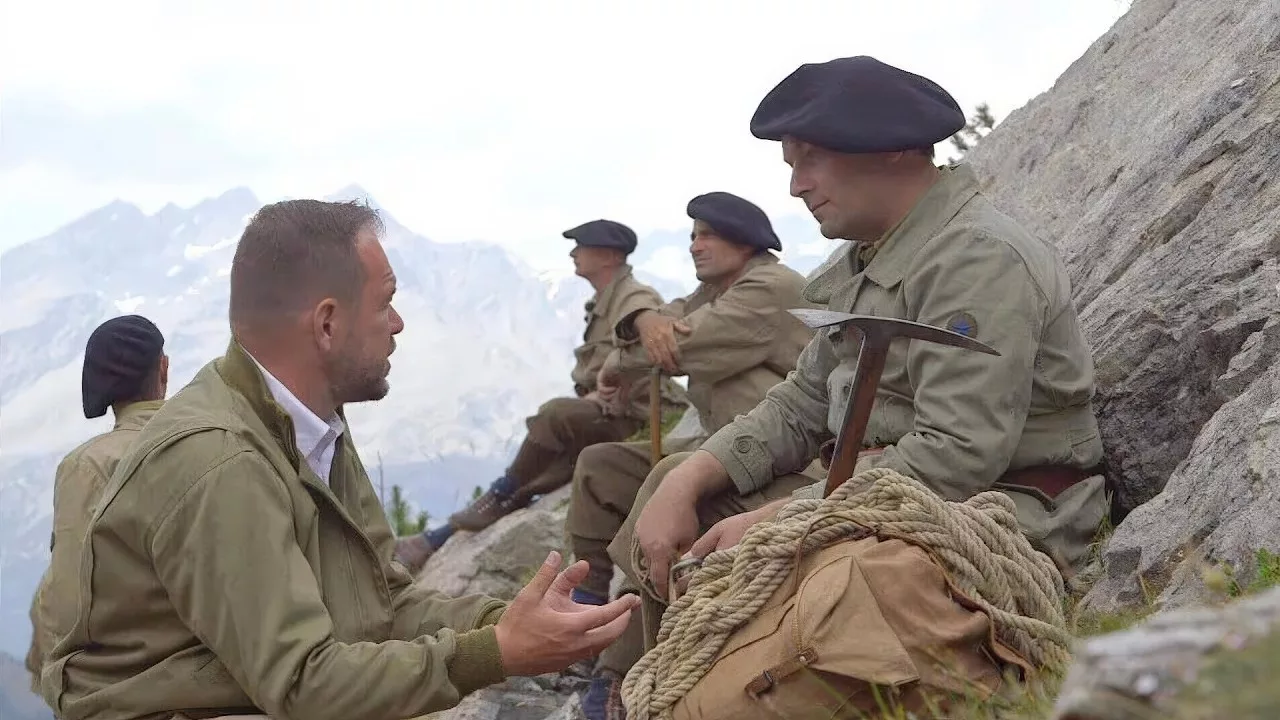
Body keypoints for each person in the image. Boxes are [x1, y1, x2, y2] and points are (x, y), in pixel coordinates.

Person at [38, 199, 639, 720]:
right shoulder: (220, 460)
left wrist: (508, 618)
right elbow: (303, 683)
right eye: (386, 305)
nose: (398, 325)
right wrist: (499, 652)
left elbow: (383, 604)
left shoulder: (311, 427)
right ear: (327, 323)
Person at [619, 53, 1108, 689]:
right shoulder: (866, 263)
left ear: (893, 151)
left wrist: (784, 517)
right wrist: (688, 480)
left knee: (829, 594)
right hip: (874, 488)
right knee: (676, 487)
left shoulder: (978, 261)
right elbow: (800, 405)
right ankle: (665, 688)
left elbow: (958, 454)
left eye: (809, 159)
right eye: (792, 166)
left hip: (995, 506)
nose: (796, 186)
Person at [563, 192, 822, 716]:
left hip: (782, 460)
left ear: (744, 241)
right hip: (724, 449)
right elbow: (654, 331)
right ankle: (588, 608)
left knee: (670, 478)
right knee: (602, 466)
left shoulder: (768, 289)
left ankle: (619, 671)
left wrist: (643, 337)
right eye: (692, 235)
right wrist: (644, 321)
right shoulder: (714, 290)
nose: (694, 246)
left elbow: (670, 350)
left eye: (707, 235)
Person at [393, 219, 682, 573]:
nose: (573, 253)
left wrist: (641, 333)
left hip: (637, 418)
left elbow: (644, 318)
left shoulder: (632, 295)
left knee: (554, 414)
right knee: (535, 482)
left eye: (581, 246)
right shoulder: (605, 300)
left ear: (607, 255)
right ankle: (436, 538)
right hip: (611, 416)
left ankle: (498, 493)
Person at [24, 314, 169, 693]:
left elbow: (66, 601)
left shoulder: (87, 468)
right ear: (163, 370)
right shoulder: (218, 443)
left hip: (131, 695)